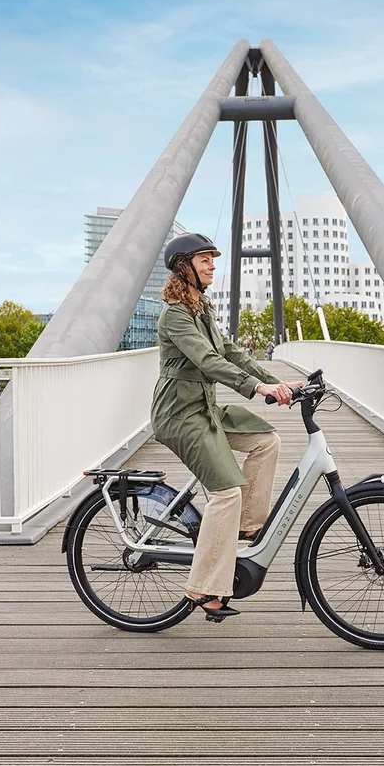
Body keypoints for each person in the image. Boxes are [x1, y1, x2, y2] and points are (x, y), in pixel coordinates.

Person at [151, 233, 300, 623]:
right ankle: (203, 587)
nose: (212, 265)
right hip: (181, 415)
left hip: (207, 409)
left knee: (266, 440)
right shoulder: (176, 314)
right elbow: (206, 361)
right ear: (184, 266)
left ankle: (248, 529)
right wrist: (256, 388)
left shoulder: (201, 308)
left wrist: (277, 381)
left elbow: (230, 352)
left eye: (213, 260)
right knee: (227, 491)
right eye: (204, 260)